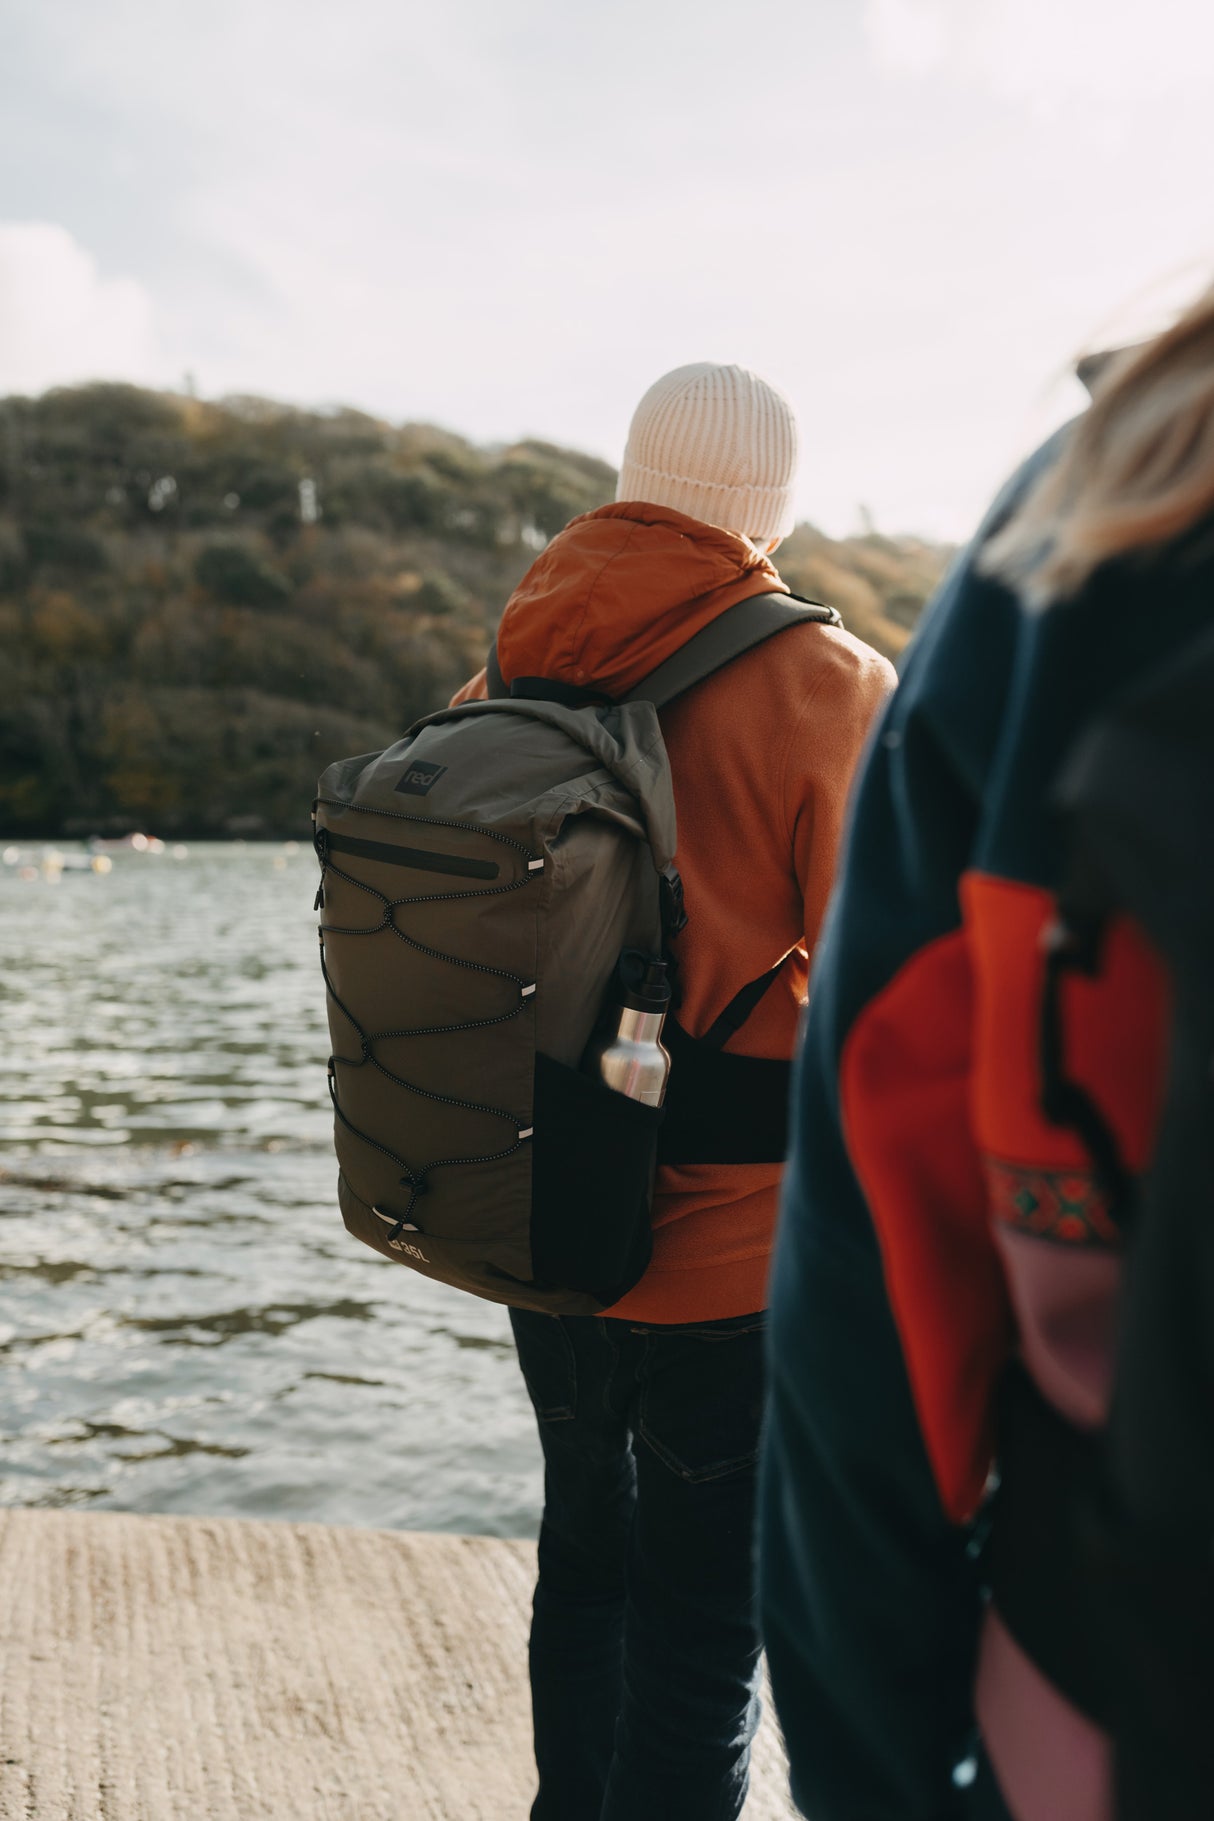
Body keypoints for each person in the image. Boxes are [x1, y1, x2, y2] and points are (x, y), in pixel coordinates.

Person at [760, 291, 1214, 1821]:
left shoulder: (1110, 504)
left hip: (1108, 1690)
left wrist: (873, 1771)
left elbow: (869, 1262)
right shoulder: (816, 677)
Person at [452, 362, 894, 1820]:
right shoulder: (826, 686)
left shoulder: (506, 668)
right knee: (703, 1632)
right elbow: (893, 1000)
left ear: (631, 476)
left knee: (581, 1566)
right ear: (768, 508)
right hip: (730, 1258)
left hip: (547, 1225)